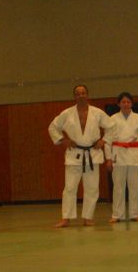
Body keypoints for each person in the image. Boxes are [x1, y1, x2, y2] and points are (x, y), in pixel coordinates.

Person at [48, 84, 114, 227]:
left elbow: (112, 127)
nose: (81, 95)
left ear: (87, 95)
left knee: (92, 188)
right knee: (70, 188)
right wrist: (63, 140)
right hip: (74, 154)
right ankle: (66, 217)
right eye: (78, 93)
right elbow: (53, 127)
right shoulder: (67, 113)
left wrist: (103, 141)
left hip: (92, 154)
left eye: (83, 93)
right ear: (74, 96)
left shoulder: (97, 113)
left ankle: (88, 217)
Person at [105, 92, 138, 223]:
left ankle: (135, 213)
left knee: (135, 186)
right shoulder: (112, 119)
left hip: (134, 154)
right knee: (118, 186)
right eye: (123, 102)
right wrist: (108, 158)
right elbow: (107, 140)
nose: (126, 104)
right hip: (118, 154)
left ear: (132, 104)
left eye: (128, 102)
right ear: (119, 104)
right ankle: (117, 214)